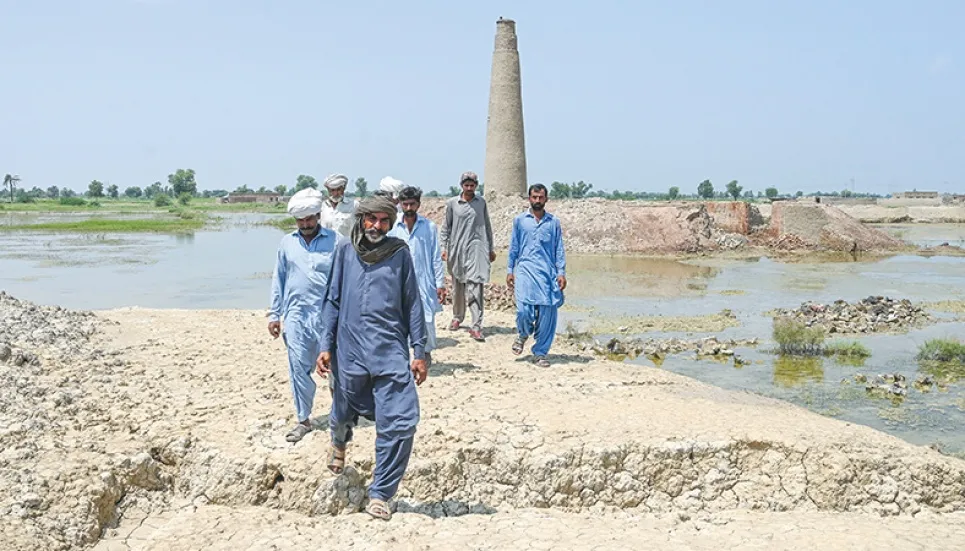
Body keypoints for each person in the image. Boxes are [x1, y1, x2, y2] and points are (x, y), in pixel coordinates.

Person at [316, 195, 428, 521]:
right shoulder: (345, 251)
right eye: (371, 220)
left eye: (383, 220)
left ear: (390, 223)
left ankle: (381, 492)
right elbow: (332, 301)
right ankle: (338, 440)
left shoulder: (399, 254)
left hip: (389, 351)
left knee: (402, 420)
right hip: (348, 349)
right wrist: (326, 345)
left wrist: (419, 352)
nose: (377, 226)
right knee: (342, 407)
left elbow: (413, 306)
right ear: (361, 220)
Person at [268, 188, 340, 442]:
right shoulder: (287, 243)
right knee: (298, 368)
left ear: (318, 215)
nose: (306, 224)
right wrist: (274, 314)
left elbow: (347, 280)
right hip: (296, 315)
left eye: (310, 219)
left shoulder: (337, 241)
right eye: (301, 220)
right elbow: (279, 278)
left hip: (329, 316)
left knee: (335, 367)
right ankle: (303, 420)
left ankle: (339, 415)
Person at [506, 183, 567, 368]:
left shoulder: (553, 222)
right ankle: (523, 333)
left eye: (541, 197)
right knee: (523, 310)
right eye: (534, 197)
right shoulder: (520, 221)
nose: (537, 201)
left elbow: (559, 249)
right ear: (529, 199)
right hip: (525, 270)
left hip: (547, 274)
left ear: (546, 199)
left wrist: (561, 272)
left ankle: (540, 352)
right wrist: (510, 270)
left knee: (547, 314)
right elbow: (514, 246)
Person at [388, 186, 446, 367]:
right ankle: (402, 356)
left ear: (418, 205)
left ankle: (425, 353)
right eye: (405, 204)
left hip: (423, 280)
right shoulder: (393, 227)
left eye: (412, 204)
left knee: (426, 318)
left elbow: (435, 257)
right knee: (399, 317)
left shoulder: (428, 227)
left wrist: (440, 283)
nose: (408, 208)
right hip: (397, 280)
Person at [440, 171, 495, 342]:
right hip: (457, 250)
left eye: (472, 185)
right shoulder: (452, 204)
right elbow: (445, 228)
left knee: (475, 288)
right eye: (466, 185)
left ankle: (476, 325)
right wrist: (444, 248)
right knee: (458, 287)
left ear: (476, 186)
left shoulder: (481, 203)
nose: (469, 188)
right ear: (461, 185)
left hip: (477, 249)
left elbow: (487, 226)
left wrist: (490, 248)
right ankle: (457, 317)